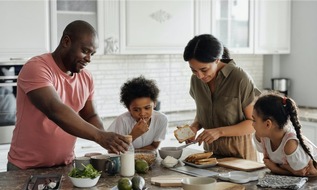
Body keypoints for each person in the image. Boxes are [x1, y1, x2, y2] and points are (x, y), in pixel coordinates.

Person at [7, 20, 129, 171]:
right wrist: (99, 136)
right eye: (85, 51)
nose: (89, 58)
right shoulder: (37, 67)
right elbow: (54, 109)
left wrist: (107, 139)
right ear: (66, 41)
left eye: (92, 54)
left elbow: (90, 115)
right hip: (26, 169)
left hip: (66, 166)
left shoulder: (86, 77)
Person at [182, 34, 260, 160]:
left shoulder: (240, 78)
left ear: (217, 60)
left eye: (204, 70)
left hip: (241, 157)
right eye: (193, 70)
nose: (200, 76)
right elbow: (204, 113)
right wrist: (194, 127)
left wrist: (219, 132)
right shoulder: (196, 80)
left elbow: (254, 123)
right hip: (210, 157)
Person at [252, 92, 317, 176]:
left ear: (268, 124)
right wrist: (286, 169)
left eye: (254, 120)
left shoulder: (290, 145)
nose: (252, 124)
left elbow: (306, 174)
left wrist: (276, 169)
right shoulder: (263, 137)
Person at [107, 76, 168, 150]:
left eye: (147, 108)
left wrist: (136, 154)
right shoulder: (122, 121)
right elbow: (112, 151)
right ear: (128, 109)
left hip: (147, 160)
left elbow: (154, 146)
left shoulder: (161, 119)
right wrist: (134, 135)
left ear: (154, 103)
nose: (142, 113)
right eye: (136, 110)